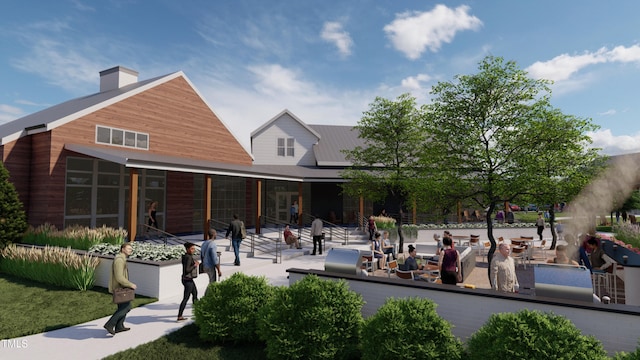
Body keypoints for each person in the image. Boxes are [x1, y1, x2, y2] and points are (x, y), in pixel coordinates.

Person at [104, 243, 137, 335]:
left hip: (121, 287)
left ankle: (119, 326)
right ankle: (110, 324)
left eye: (131, 249)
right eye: (128, 248)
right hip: (119, 288)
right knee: (127, 307)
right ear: (122, 249)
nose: (131, 250)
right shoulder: (119, 260)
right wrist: (130, 284)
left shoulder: (122, 259)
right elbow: (119, 277)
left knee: (122, 307)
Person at [177, 242, 199, 321]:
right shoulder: (188, 257)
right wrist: (195, 265)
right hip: (187, 280)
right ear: (187, 249)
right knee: (186, 298)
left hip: (187, 280)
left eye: (194, 248)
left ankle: (197, 312)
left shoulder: (186, 256)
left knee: (195, 294)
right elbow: (187, 270)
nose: (193, 250)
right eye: (192, 249)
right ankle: (180, 316)